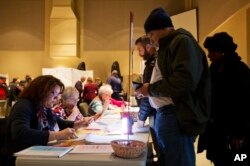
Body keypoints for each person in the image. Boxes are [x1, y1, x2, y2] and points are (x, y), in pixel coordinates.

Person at [137, 7, 211, 166]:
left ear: (165, 28)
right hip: (167, 116)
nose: (151, 40)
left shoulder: (181, 42)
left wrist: (149, 89)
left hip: (175, 116)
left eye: (152, 34)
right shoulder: (168, 46)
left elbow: (183, 82)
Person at [0, 75, 93, 166]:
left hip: (35, 152)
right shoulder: (23, 105)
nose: (56, 99)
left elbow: (59, 122)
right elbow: (20, 133)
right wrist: (57, 135)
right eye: (53, 94)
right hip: (19, 158)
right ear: (41, 91)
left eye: (57, 95)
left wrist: (77, 124)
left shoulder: (43, 107)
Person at [198, 32, 250, 166]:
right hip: (217, 129)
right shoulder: (214, 68)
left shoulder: (240, 70)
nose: (209, 55)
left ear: (222, 52)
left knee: (236, 160)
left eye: (212, 52)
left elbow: (245, 103)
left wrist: (239, 133)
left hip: (234, 131)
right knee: (219, 160)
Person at [135, 35, 159, 159]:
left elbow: (148, 94)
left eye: (140, 50)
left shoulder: (152, 64)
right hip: (157, 111)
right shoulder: (153, 61)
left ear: (148, 47)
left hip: (157, 112)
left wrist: (141, 118)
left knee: (161, 150)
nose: (139, 53)